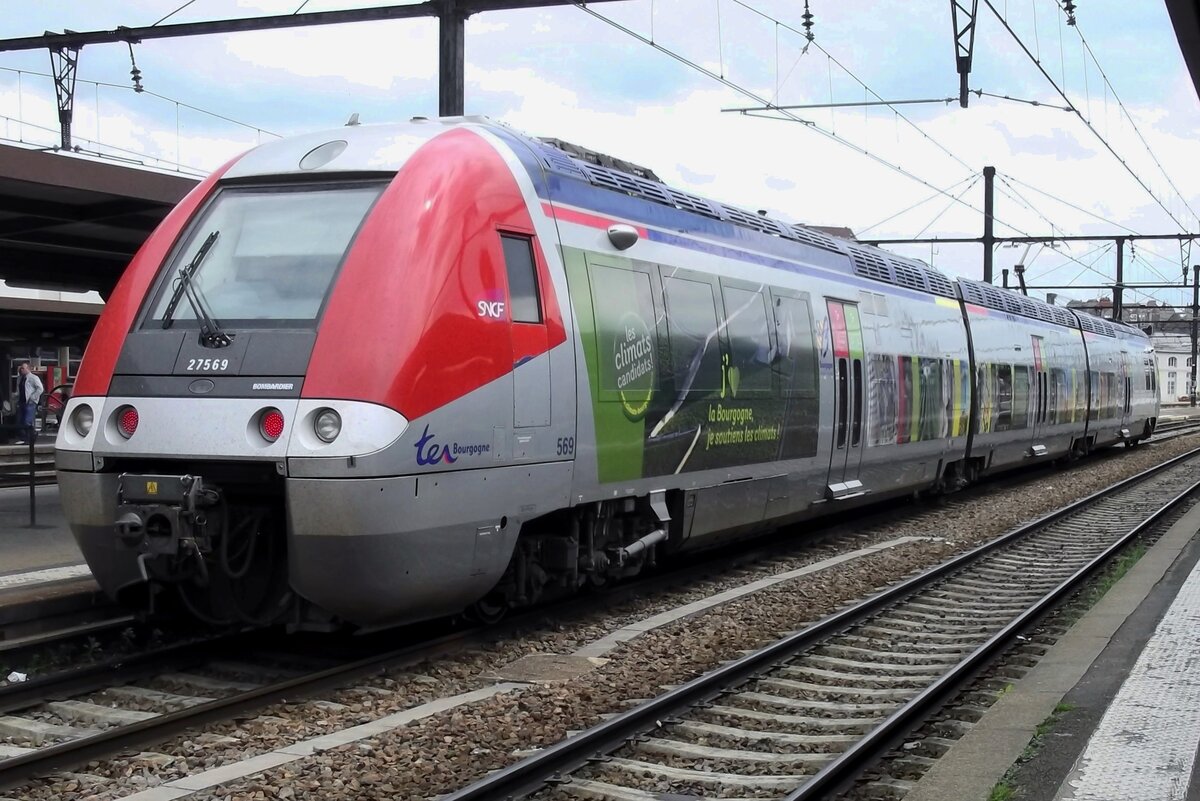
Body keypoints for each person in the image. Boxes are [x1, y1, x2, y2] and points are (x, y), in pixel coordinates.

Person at [17, 362, 43, 443]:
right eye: (21, 368)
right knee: (20, 420)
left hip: (30, 402)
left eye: (23, 368)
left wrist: (33, 398)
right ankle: (24, 438)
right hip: (22, 401)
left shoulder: (33, 378)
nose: (21, 370)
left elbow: (40, 388)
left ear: (28, 369)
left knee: (27, 420)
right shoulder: (20, 378)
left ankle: (30, 438)